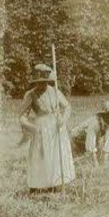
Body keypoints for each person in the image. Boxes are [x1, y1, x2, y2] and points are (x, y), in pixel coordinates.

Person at [18, 63, 75, 193]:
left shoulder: (55, 91)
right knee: (42, 155)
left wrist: (63, 119)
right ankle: (38, 186)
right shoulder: (30, 95)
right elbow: (21, 117)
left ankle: (55, 184)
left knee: (56, 154)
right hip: (41, 128)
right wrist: (31, 127)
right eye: (40, 82)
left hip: (56, 126)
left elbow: (67, 107)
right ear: (36, 81)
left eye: (45, 81)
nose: (42, 85)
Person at [73, 100, 109, 167]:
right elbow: (90, 144)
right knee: (84, 160)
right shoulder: (94, 123)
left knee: (107, 153)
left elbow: (107, 143)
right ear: (104, 114)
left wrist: (104, 164)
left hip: (91, 140)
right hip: (77, 139)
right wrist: (95, 163)